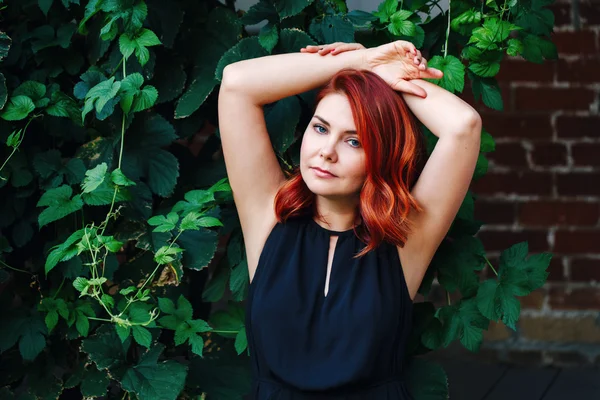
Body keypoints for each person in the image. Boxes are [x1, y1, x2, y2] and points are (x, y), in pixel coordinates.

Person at [218, 40, 482, 399]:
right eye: (321, 128)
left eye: (354, 141)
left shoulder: (406, 240)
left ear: (382, 156)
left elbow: (463, 126)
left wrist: (385, 82)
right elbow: (237, 83)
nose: (326, 151)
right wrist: (364, 62)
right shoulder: (267, 216)